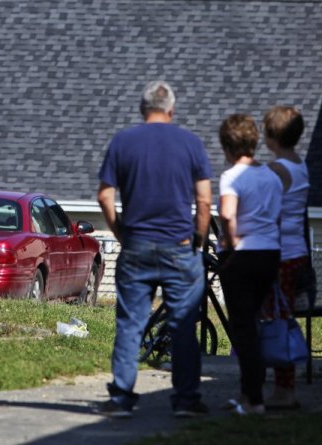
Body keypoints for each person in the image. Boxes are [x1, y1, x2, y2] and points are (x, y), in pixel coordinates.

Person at [96, 80, 212, 418]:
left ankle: (120, 399)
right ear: (171, 110)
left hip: (136, 246)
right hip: (179, 246)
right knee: (183, 324)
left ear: (141, 109)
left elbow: (104, 195)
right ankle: (186, 401)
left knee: (131, 322)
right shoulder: (191, 144)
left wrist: (120, 231)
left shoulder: (123, 142)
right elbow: (204, 199)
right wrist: (198, 239)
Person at [217, 114, 282, 415]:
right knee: (255, 323)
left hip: (242, 256)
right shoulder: (272, 175)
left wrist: (229, 246)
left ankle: (252, 399)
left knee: (243, 330)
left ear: (228, 147)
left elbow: (228, 215)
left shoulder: (232, 176)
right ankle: (251, 393)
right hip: (270, 254)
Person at [261, 106, 309, 410]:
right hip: (297, 252)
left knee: (276, 320)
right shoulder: (299, 164)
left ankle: (284, 390)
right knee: (283, 316)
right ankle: (284, 385)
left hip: (280, 255)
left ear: (271, 136)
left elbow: (268, 212)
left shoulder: (277, 170)